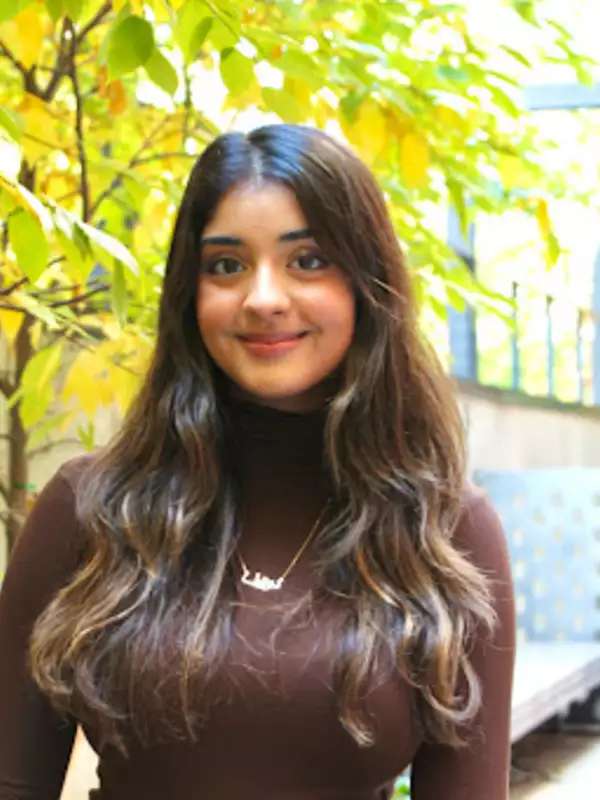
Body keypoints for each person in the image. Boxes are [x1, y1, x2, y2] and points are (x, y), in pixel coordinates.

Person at [0, 123, 516, 799]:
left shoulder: (445, 531)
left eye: (307, 261)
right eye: (226, 265)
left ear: (367, 284)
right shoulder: (92, 508)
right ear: (191, 294)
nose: (263, 298)